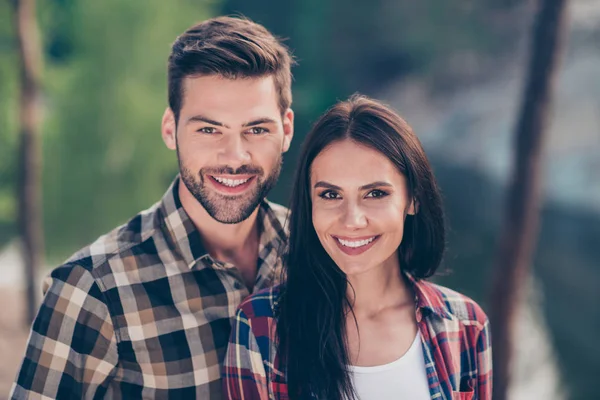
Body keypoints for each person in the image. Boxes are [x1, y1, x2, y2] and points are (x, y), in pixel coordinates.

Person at [11, 16, 294, 399]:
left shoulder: (318, 251)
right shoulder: (92, 288)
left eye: (256, 129)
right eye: (209, 129)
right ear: (169, 129)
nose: (235, 156)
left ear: (287, 130)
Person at [223, 95, 492, 400]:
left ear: (413, 199)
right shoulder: (262, 325)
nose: (352, 220)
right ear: (309, 202)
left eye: (375, 193)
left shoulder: (466, 324)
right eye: (330, 195)